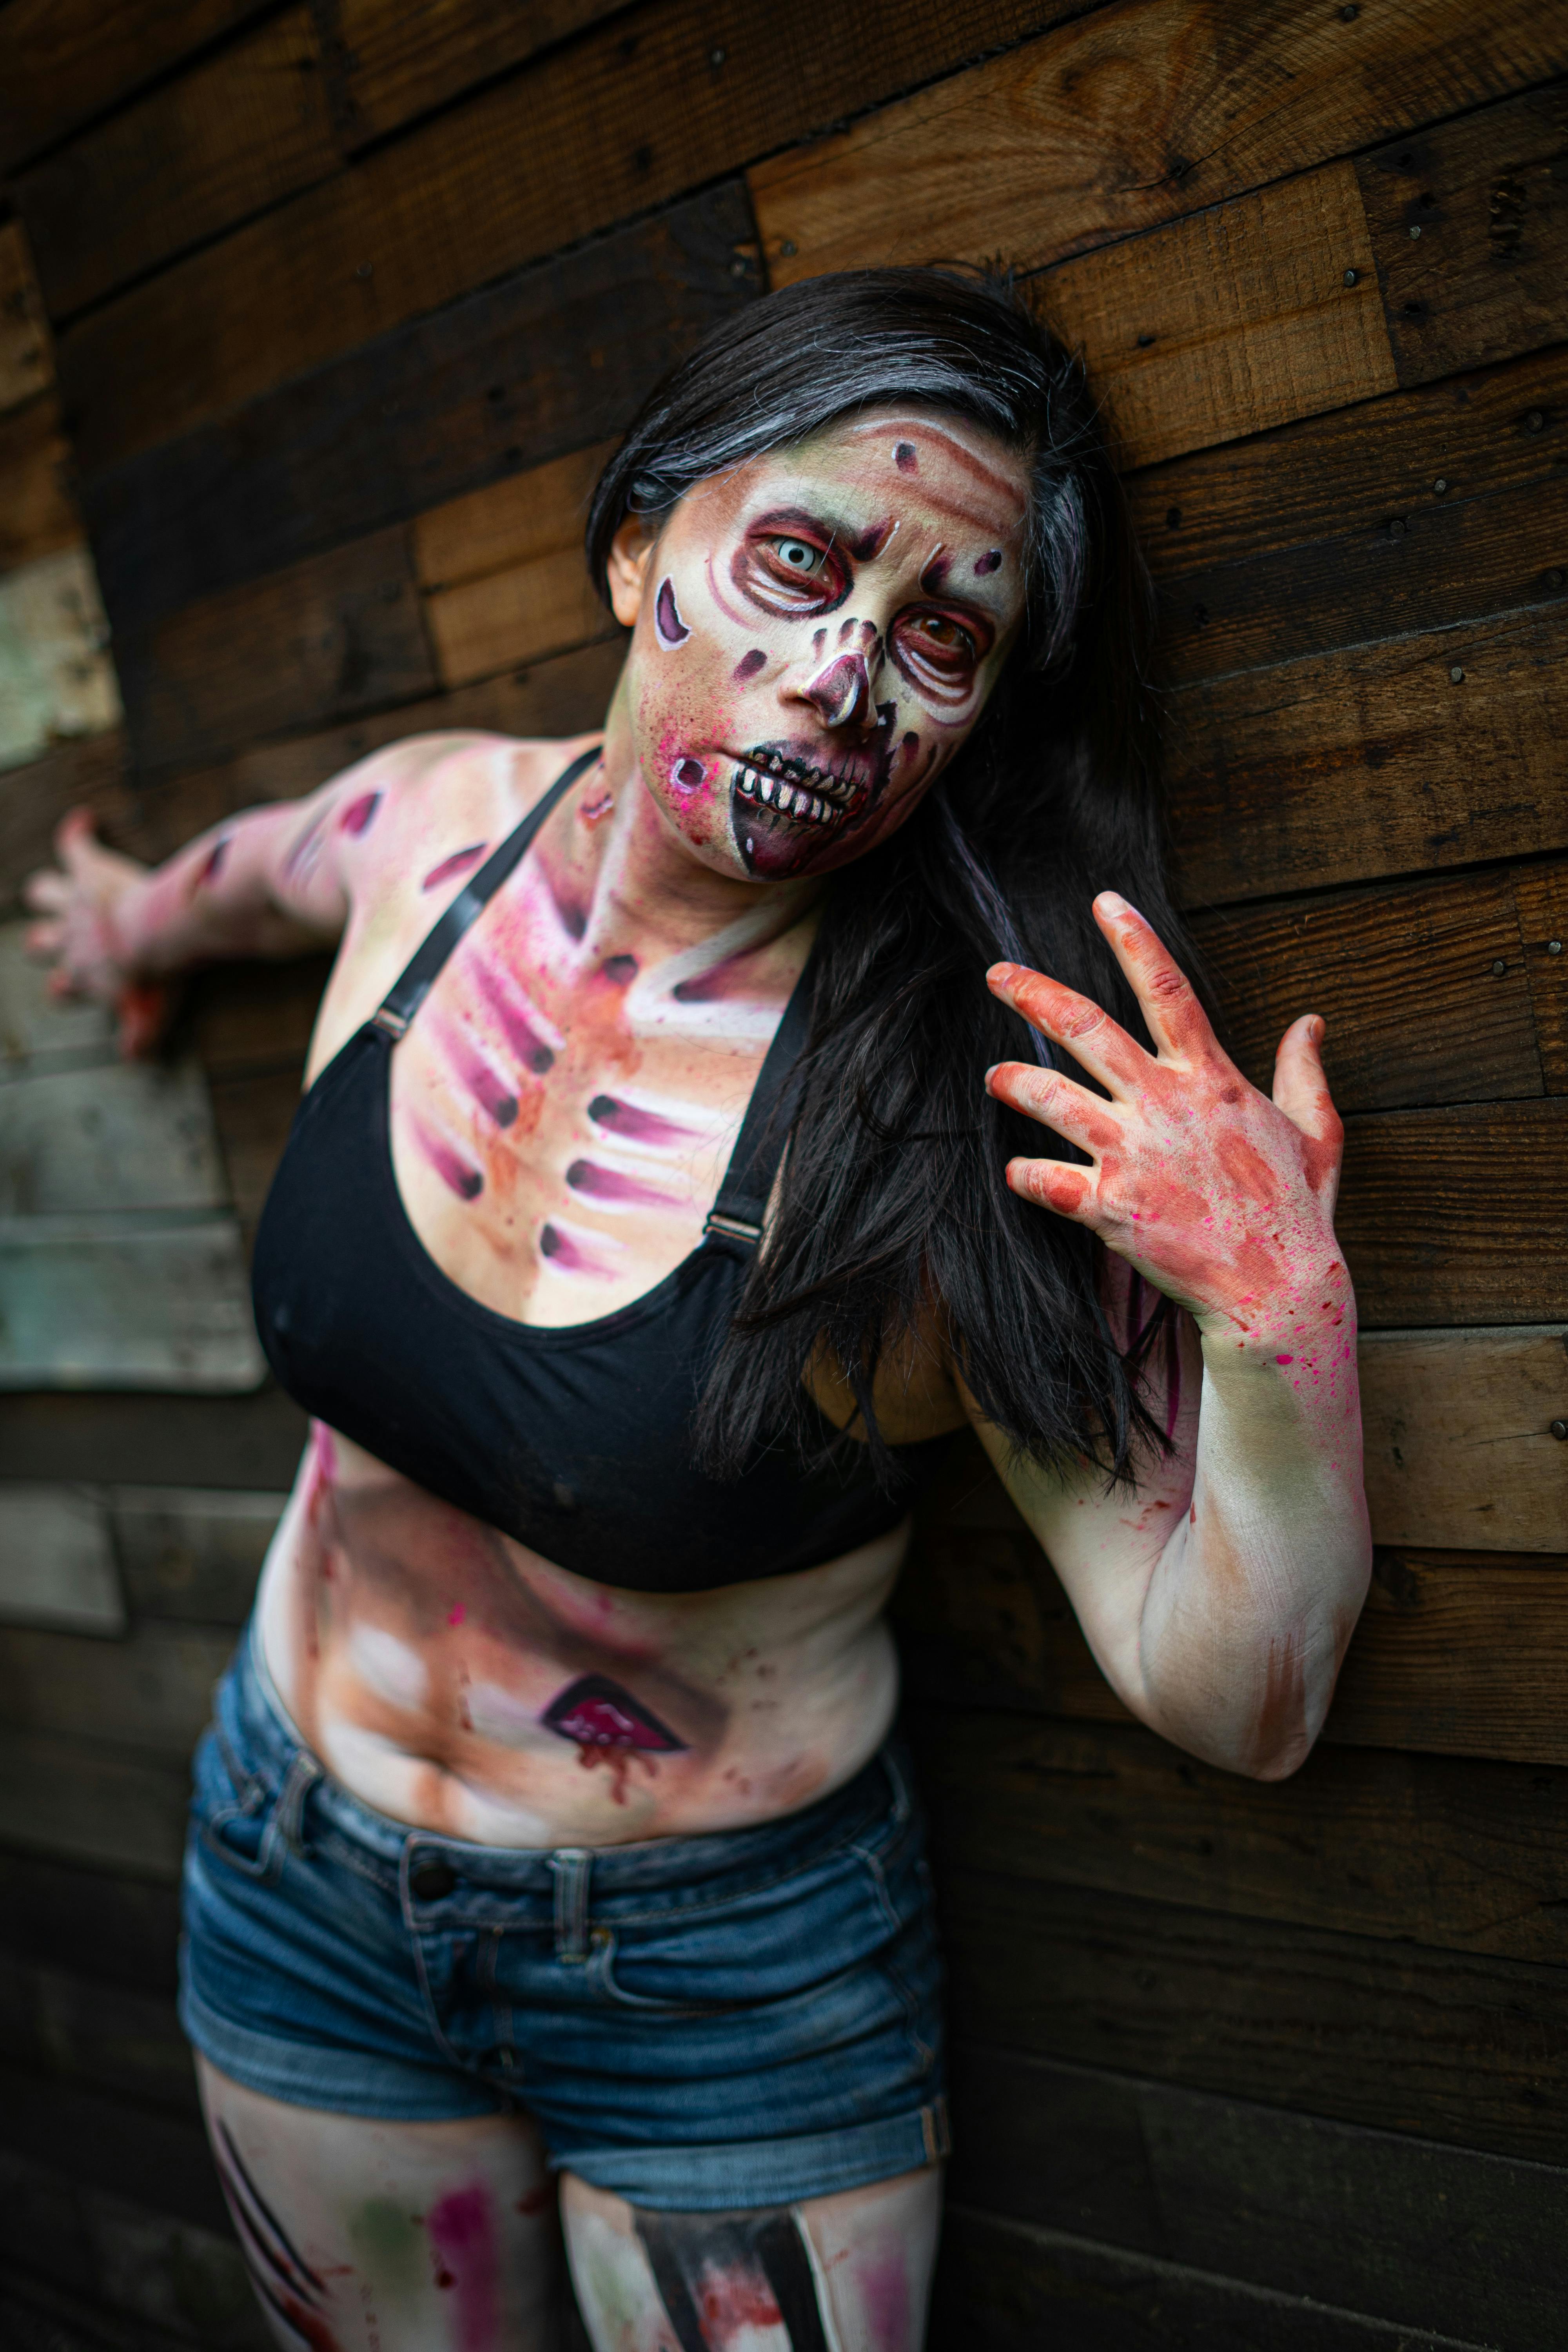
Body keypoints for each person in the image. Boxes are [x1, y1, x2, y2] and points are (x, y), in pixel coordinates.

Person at [25, 268, 1370, 2352]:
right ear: (646, 539)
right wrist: (125, 918)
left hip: (723, 1993)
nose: (846, 674)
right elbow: (256, 872)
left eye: (941, 638)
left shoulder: (953, 1131)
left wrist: (1280, 1329)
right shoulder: (433, 834)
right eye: (807, 559)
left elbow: (1244, 1702)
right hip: (290, 1875)